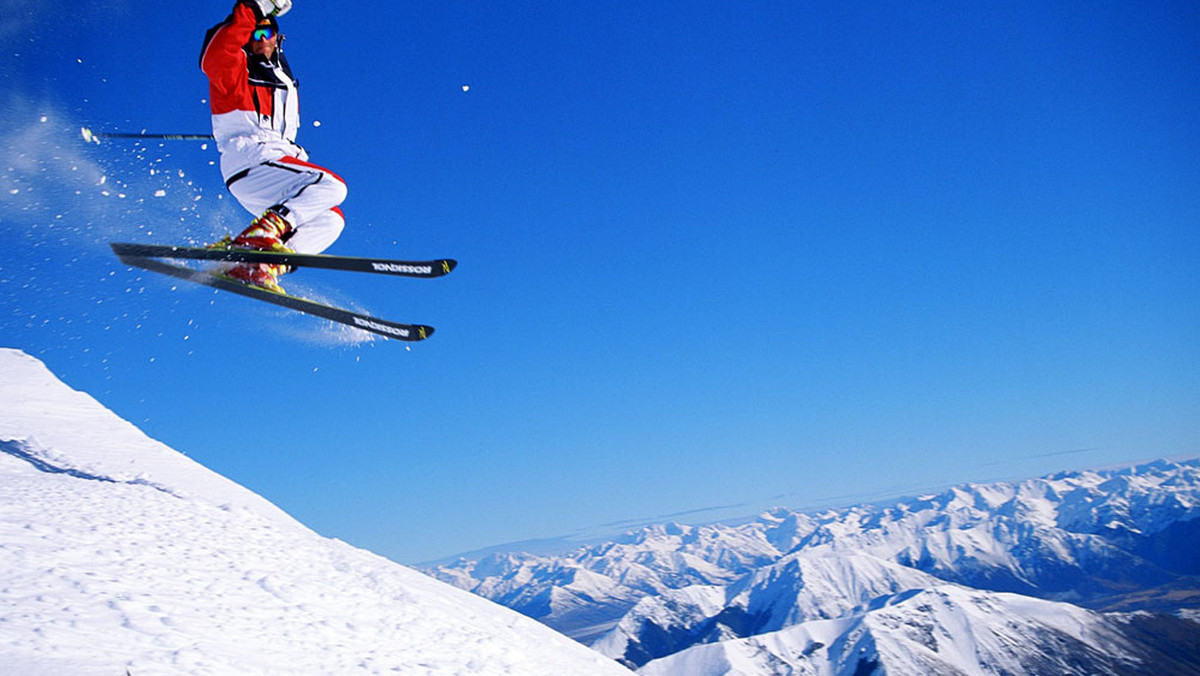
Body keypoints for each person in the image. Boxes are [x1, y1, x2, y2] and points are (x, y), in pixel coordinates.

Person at [199, 0, 346, 293]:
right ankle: (259, 235)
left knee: (332, 220)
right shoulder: (235, 71)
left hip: (270, 166)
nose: (261, 41)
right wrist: (256, 7)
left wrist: (269, 15)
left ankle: (256, 265)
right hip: (251, 159)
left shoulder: (282, 77)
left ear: (278, 38)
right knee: (333, 186)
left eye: (268, 34)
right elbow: (216, 52)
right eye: (254, 36)